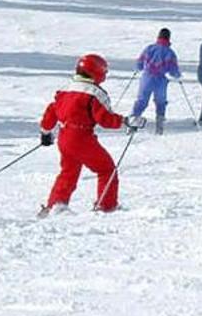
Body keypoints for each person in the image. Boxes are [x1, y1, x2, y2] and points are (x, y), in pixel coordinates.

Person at [40, 53, 136, 214]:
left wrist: (46, 132)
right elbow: (104, 119)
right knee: (107, 169)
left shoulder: (66, 89)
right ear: (97, 71)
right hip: (81, 137)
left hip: (64, 136)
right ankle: (106, 206)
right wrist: (125, 121)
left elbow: (51, 110)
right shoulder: (94, 92)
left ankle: (55, 205)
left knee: (68, 172)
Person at [130, 27, 181, 133]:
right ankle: (159, 126)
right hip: (160, 80)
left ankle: (132, 123)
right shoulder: (170, 52)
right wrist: (177, 75)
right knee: (160, 102)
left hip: (147, 77)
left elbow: (140, 62)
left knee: (141, 100)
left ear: (158, 37)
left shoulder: (149, 48)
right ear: (168, 38)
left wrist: (138, 68)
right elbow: (173, 70)